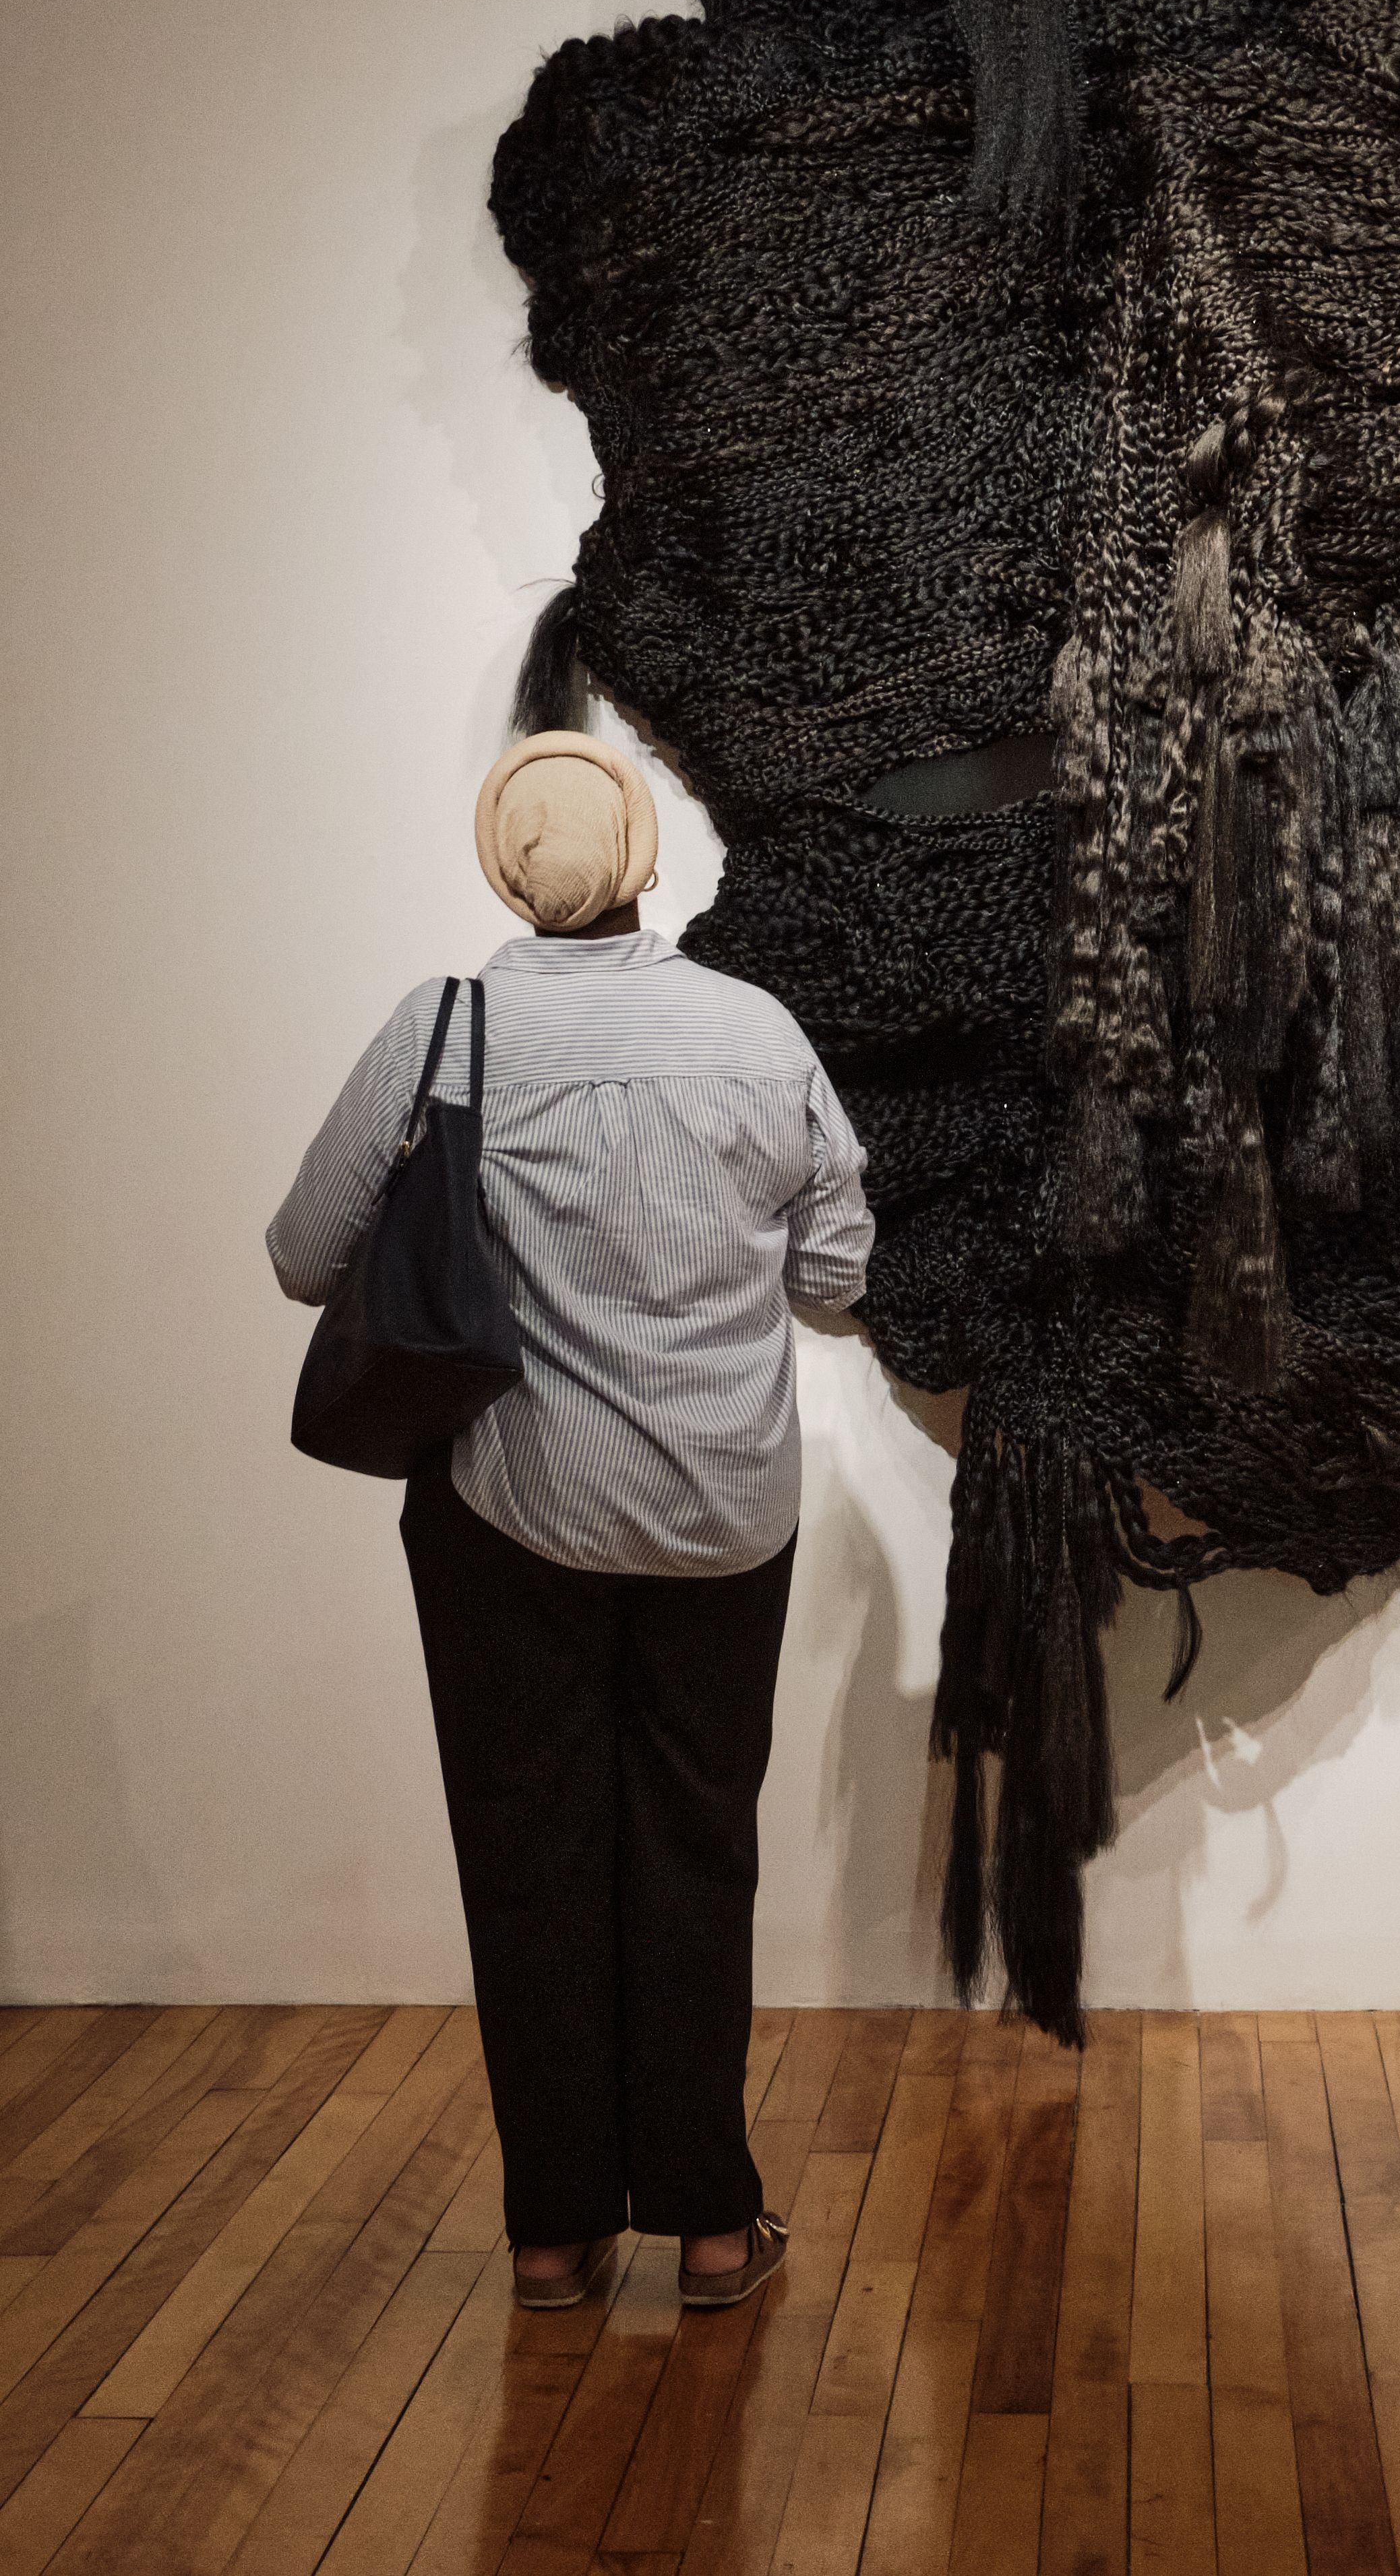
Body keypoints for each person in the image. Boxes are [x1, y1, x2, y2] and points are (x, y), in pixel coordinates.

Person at [268, 728, 872, 2312]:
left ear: (504, 871)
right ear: (645, 859)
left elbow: (302, 1252)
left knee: (531, 1858)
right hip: (724, 1523)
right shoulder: (757, 1032)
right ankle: (713, 2228)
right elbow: (835, 1280)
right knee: (696, 1849)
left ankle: (552, 2236)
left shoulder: (444, 1029)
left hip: (507, 1518)